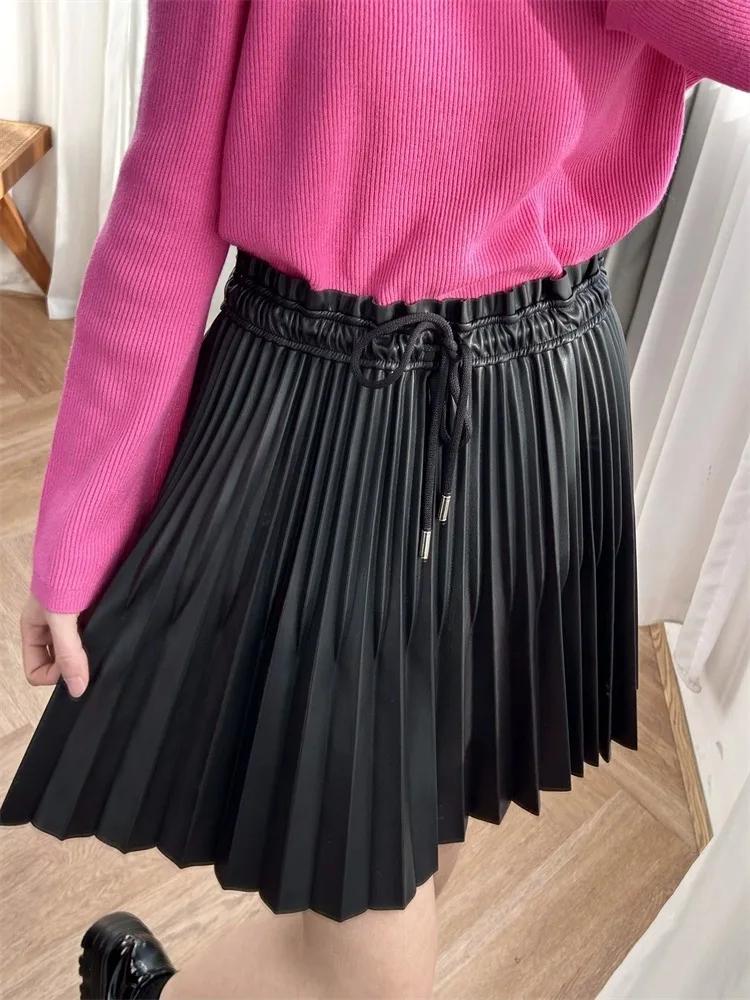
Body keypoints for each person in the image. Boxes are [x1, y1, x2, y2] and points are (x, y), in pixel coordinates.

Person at [2, 2, 748, 998]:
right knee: (367, 934)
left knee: (423, 829)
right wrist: (85, 520)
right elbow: (171, 197)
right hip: (330, 404)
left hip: (547, 394)